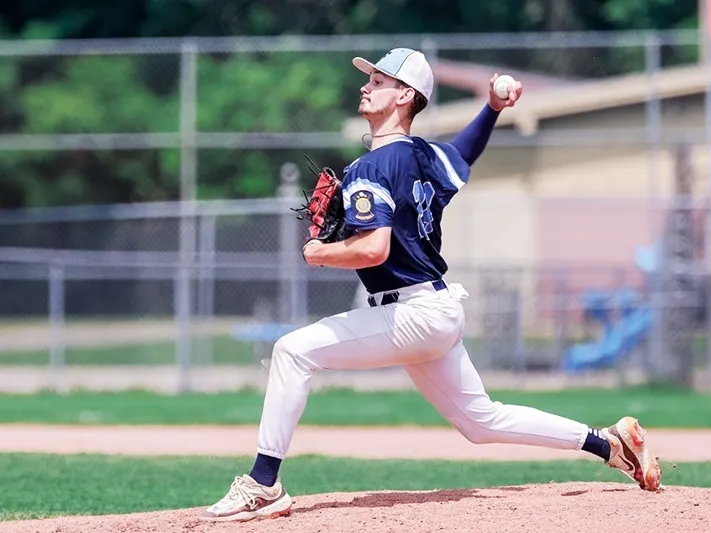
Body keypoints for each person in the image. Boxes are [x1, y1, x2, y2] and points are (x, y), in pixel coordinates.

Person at [199, 48, 662, 522]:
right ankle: (609, 443)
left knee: (293, 351)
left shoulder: (371, 168)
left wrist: (319, 253)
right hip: (431, 309)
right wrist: (493, 108)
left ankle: (262, 484)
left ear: (404, 95)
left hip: (412, 314)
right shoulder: (422, 155)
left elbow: (374, 249)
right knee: (481, 421)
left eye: (378, 81)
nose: (366, 86)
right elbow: (464, 152)